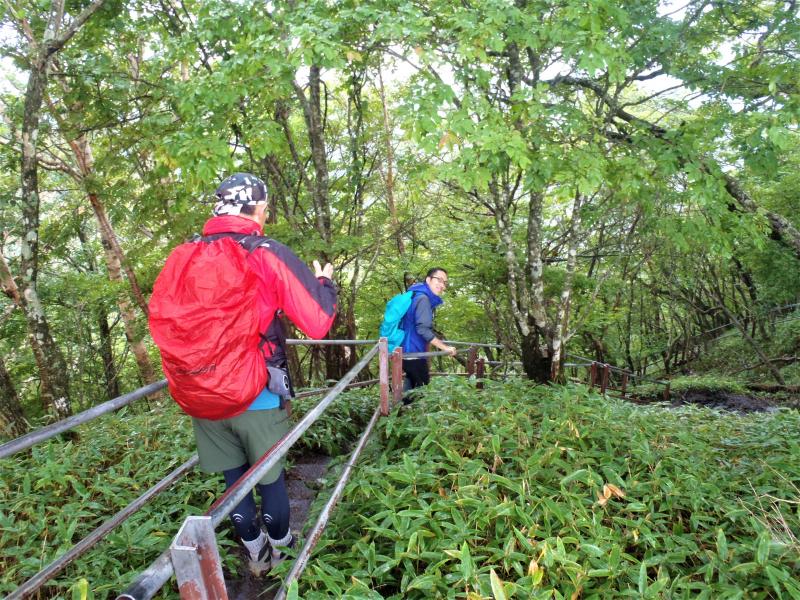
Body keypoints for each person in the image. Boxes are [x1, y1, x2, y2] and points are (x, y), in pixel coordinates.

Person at [166, 173, 336, 574]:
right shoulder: (264, 252)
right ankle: (282, 550)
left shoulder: (183, 255)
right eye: (265, 207)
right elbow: (317, 322)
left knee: (234, 478)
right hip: (255, 391)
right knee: (268, 478)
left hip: (200, 390)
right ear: (256, 208)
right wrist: (325, 283)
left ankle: (255, 552)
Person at [400, 267, 457, 404]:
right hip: (413, 351)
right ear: (428, 280)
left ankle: (400, 411)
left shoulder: (416, 295)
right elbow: (423, 330)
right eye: (439, 280)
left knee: (411, 386)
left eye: (445, 282)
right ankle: (406, 414)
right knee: (421, 391)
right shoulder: (423, 299)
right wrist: (445, 348)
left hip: (407, 350)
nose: (442, 285)